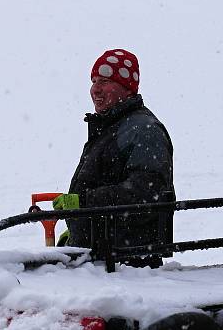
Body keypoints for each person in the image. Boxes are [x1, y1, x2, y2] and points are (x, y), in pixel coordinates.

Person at [53, 49, 174, 266]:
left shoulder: (143, 130)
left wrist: (82, 204)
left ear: (127, 88)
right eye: (94, 81)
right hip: (102, 258)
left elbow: (146, 193)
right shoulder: (111, 128)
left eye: (105, 81)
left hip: (126, 266)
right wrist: (77, 231)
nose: (95, 89)